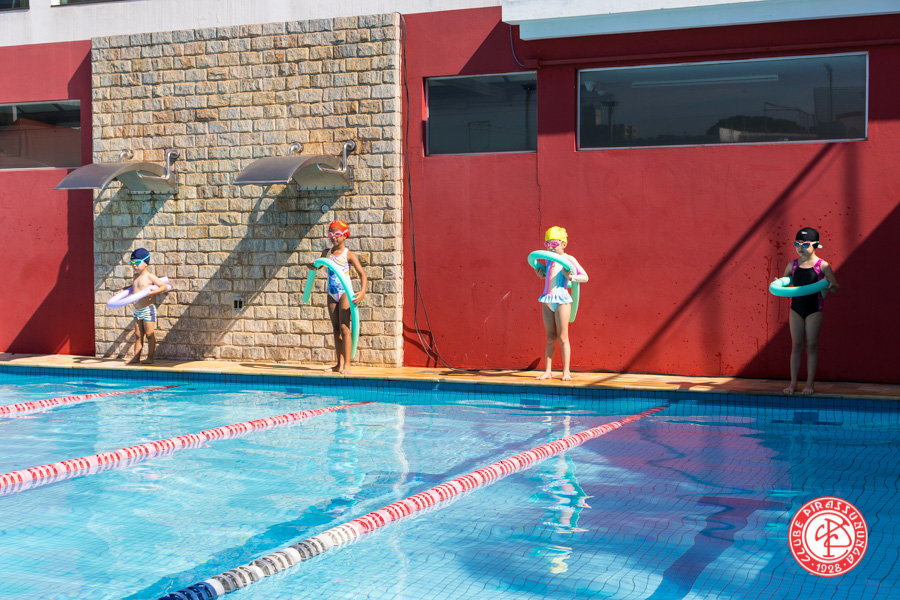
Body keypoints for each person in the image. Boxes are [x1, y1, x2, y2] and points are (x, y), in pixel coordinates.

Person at [780, 227, 839, 395]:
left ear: (816, 245)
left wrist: (830, 285)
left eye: (805, 244)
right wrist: (778, 282)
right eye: (797, 244)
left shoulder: (823, 265)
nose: (801, 247)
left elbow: (836, 287)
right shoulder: (792, 265)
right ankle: (793, 384)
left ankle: (809, 384)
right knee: (796, 345)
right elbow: (784, 282)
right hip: (796, 309)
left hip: (814, 308)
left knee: (811, 346)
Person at [532, 227, 588, 381]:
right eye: (548, 244)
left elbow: (585, 276)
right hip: (547, 300)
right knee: (550, 337)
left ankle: (566, 371)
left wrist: (570, 276)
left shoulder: (569, 259)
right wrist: (541, 273)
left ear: (563, 244)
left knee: (563, 337)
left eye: (554, 244)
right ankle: (547, 371)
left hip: (562, 300)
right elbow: (549, 275)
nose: (550, 247)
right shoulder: (548, 259)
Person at [311, 220, 367, 375]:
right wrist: (312, 265)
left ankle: (347, 364)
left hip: (344, 293)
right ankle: (338, 364)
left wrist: (362, 292)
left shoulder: (348, 254)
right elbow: (317, 266)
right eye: (331, 234)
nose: (333, 237)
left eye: (337, 234)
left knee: (344, 327)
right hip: (331, 292)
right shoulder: (326, 253)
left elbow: (362, 274)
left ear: (344, 236)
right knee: (336, 328)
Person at [125, 248, 169, 365]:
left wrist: (154, 292)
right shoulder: (135, 276)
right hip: (137, 310)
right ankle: (136, 357)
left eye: (137, 262)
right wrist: (124, 290)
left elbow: (163, 286)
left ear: (146, 263)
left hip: (147, 309)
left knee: (149, 334)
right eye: (132, 262)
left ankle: (150, 358)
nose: (134, 265)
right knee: (138, 335)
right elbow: (135, 288)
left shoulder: (150, 277)